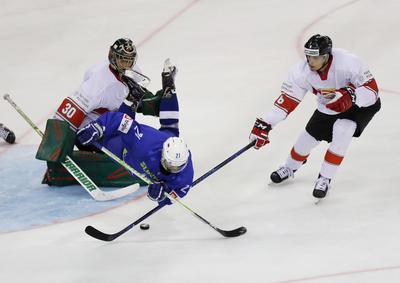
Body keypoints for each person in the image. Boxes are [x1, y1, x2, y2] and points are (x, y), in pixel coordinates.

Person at [249, 34, 381, 199]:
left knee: (343, 130)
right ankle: (290, 167)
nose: (310, 61)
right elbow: (286, 102)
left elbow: (372, 91)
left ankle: (325, 178)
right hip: (329, 106)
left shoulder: (348, 62)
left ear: (326, 56)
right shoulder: (300, 72)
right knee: (307, 139)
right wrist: (266, 124)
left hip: (360, 106)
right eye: (308, 56)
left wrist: (351, 96)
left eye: (315, 57)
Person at [37, 37, 179, 187]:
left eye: (129, 60)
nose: (127, 65)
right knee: (128, 153)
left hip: (115, 121)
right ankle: (62, 174)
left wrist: (166, 94)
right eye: (122, 60)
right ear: (112, 57)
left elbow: (140, 101)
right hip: (91, 129)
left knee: (140, 141)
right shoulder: (98, 84)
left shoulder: (133, 71)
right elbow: (66, 115)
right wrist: (54, 152)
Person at [76, 89, 194, 205]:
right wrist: (98, 127)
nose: (172, 170)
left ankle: (169, 91)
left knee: (170, 130)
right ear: (163, 155)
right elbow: (122, 120)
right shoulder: (145, 142)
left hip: (153, 146)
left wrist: (163, 196)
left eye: (177, 168)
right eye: (169, 165)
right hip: (124, 148)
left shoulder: (185, 178)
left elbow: (174, 195)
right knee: (94, 140)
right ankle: (131, 100)